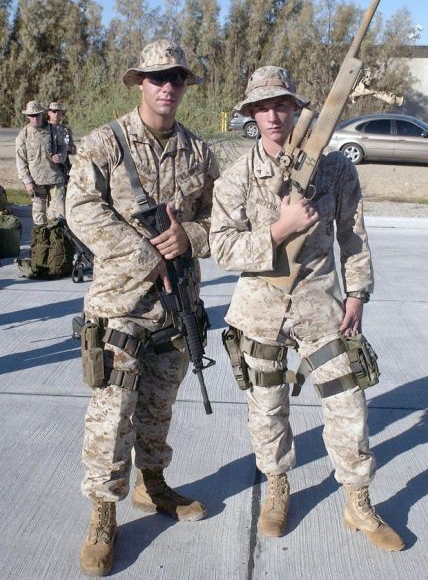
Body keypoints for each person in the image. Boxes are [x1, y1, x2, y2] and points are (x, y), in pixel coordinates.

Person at [209, 66, 404, 551]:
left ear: (296, 109)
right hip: (259, 312)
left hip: (322, 309)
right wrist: (278, 231)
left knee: (348, 406)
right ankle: (277, 487)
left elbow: (353, 235)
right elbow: (221, 248)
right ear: (251, 115)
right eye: (262, 108)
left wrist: (358, 292)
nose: (272, 116)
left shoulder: (336, 168)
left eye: (281, 105)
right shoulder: (235, 178)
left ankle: (358, 500)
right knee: (267, 409)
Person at [66, 39, 219, 576]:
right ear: (139, 83)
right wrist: (145, 256)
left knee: (158, 406)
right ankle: (103, 514)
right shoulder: (106, 142)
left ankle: (152, 486)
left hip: (177, 307)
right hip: (120, 305)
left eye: (176, 77)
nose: (167, 86)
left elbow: (223, 222)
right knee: (112, 414)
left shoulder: (200, 152)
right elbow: (80, 209)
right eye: (156, 77)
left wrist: (191, 238)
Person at [16, 100, 67, 225]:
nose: (35, 118)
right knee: (39, 217)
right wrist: (27, 182)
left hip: (55, 180)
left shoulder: (53, 130)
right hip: (36, 182)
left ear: (42, 114)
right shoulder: (23, 135)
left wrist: (61, 156)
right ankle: (43, 243)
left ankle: (57, 243)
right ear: (28, 117)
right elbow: (21, 161)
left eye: (37, 115)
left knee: (58, 217)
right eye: (32, 116)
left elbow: (63, 147)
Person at [47, 101, 77, 172]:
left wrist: (70, 149)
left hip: (64, 166)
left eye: (59, 111)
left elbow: (74, 149)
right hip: (49, 167)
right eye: (54, 111)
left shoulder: (66, 129)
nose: (56, 114)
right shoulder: (44, 129)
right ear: (49, 113)